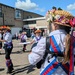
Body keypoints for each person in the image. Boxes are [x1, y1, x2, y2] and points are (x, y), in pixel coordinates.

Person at [28, 8, 74, 75]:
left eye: (51, 24)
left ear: (55, 26)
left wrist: (31, 53)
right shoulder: (72, 40)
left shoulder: (45, 40)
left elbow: (33, 60)